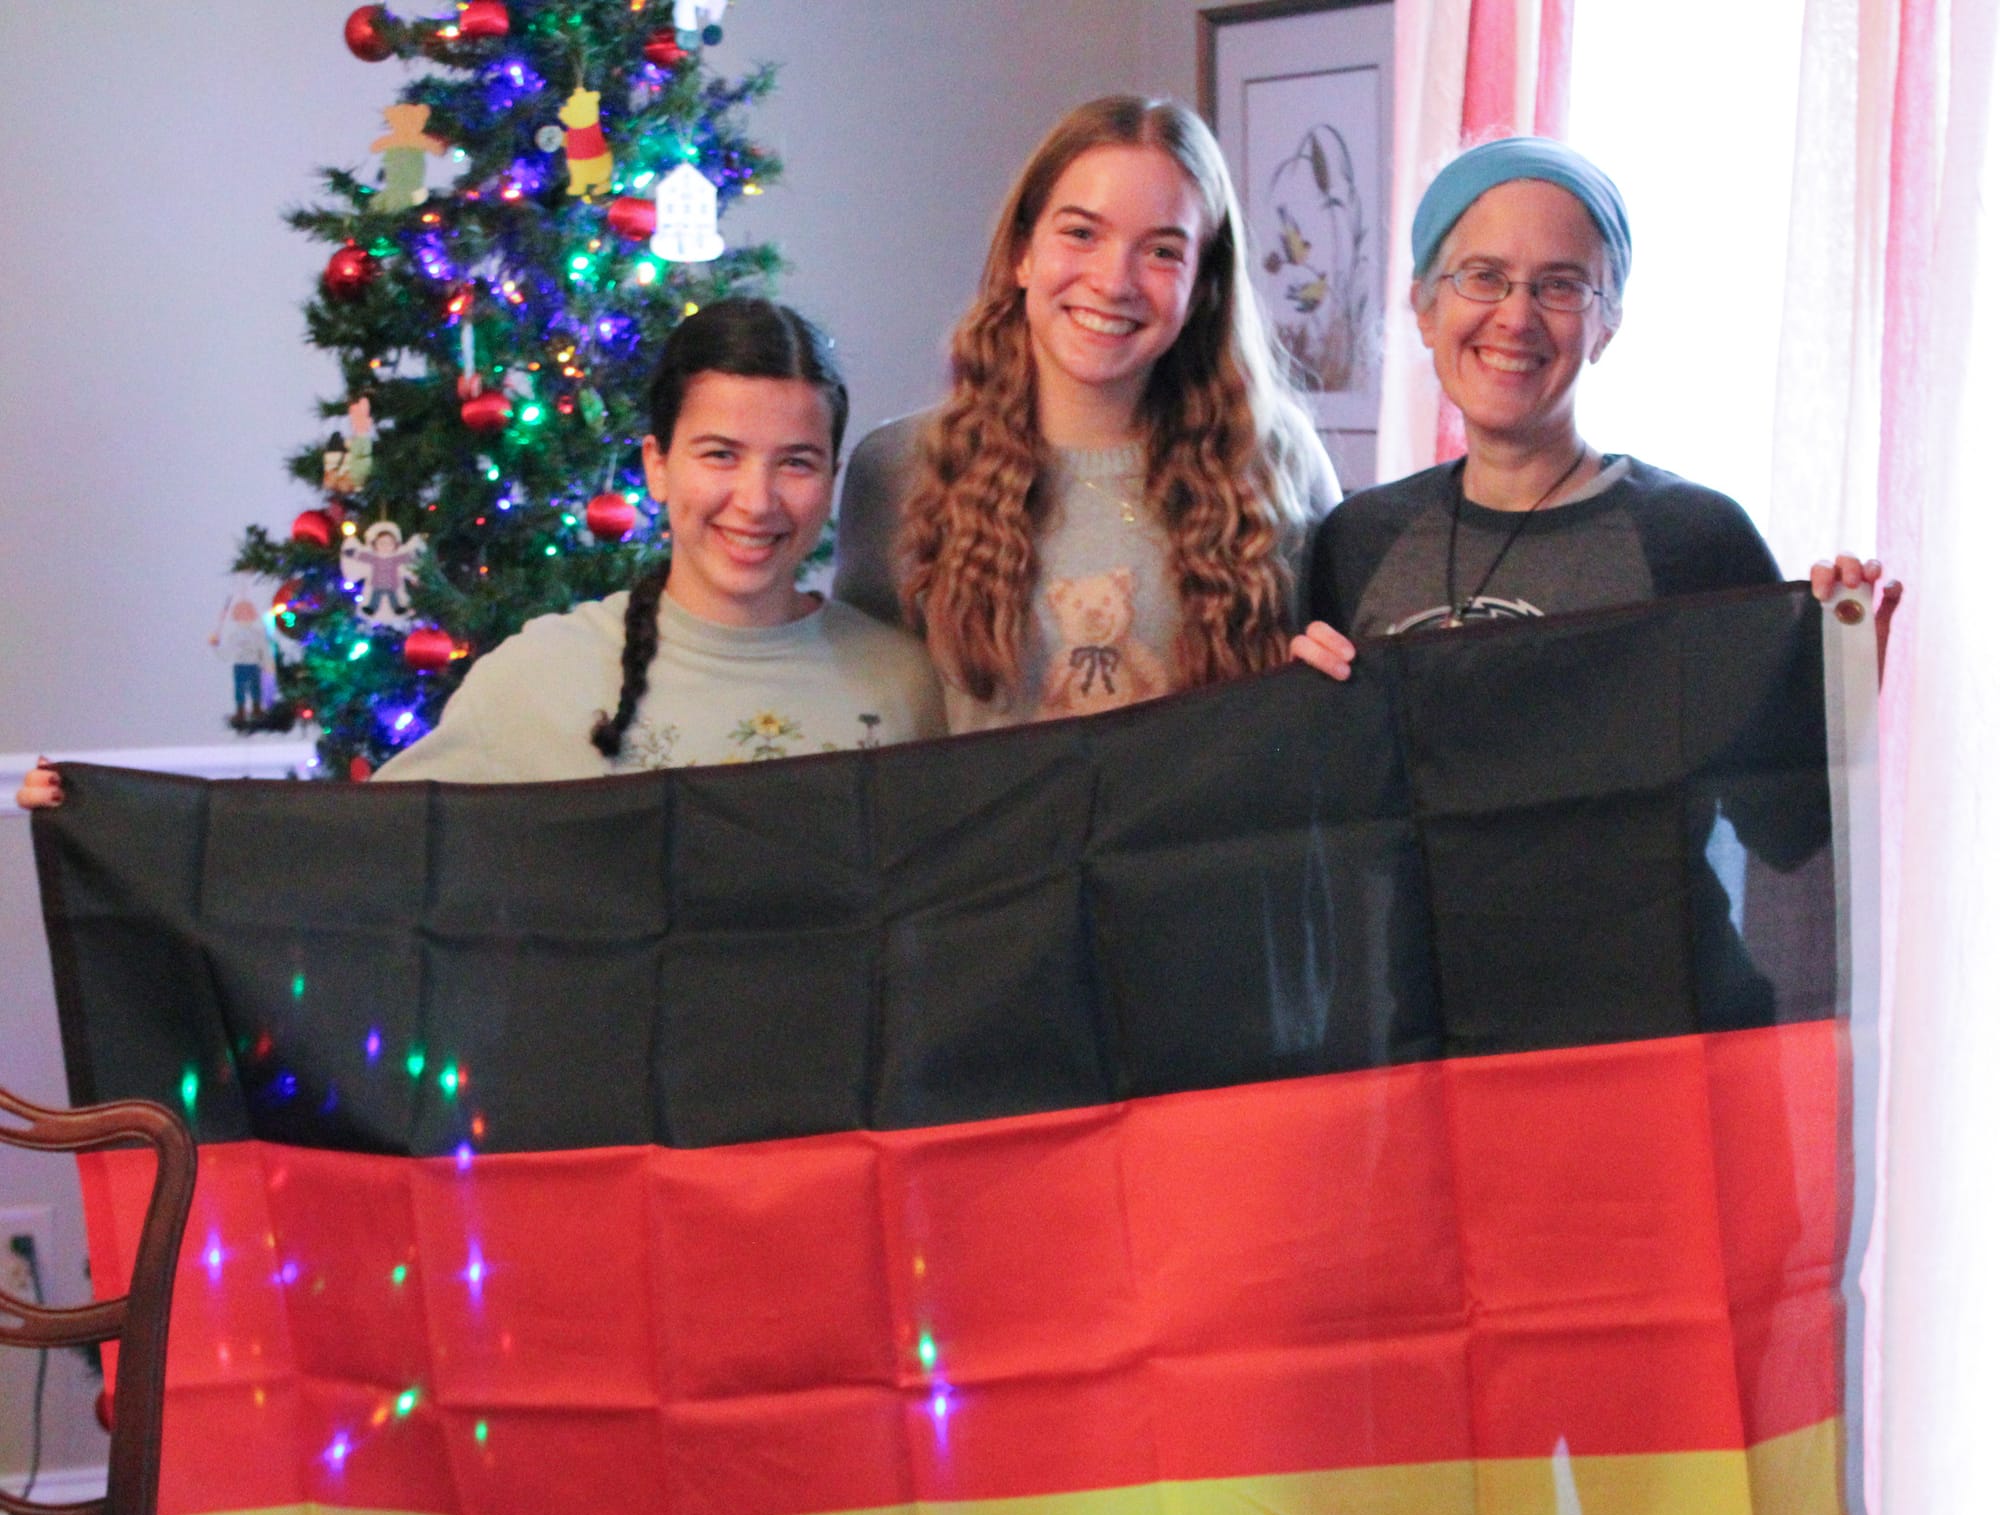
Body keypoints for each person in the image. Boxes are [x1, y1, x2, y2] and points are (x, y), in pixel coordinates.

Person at [17, 301, 943, 811]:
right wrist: (117, 815)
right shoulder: (539, 678)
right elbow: (342, 857)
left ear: (830, 478)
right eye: (719, 456)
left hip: (841, 1150)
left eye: (797, 463)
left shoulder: (906, 687)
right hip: (606, 1146)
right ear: (656, 465)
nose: (757, 501)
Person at [1286, 136, 1888, 684]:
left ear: (1607, 324)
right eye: (1484, 276)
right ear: (1425, 307)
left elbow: (1775, 776)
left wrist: (1846, 684)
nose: (1516, 318)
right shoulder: (1356, 539)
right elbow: (1331, 787)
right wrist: (1301, 710)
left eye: (1561, 286)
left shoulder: (1698, 541)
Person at [834, 94, 1340, 733]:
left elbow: (1333, 696)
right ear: (1023, 251)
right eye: (1081, 233)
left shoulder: (1273, 460)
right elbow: (870, 726)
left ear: (1203, 284)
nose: (1113, 281)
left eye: (1161, 251)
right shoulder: (899, 471)